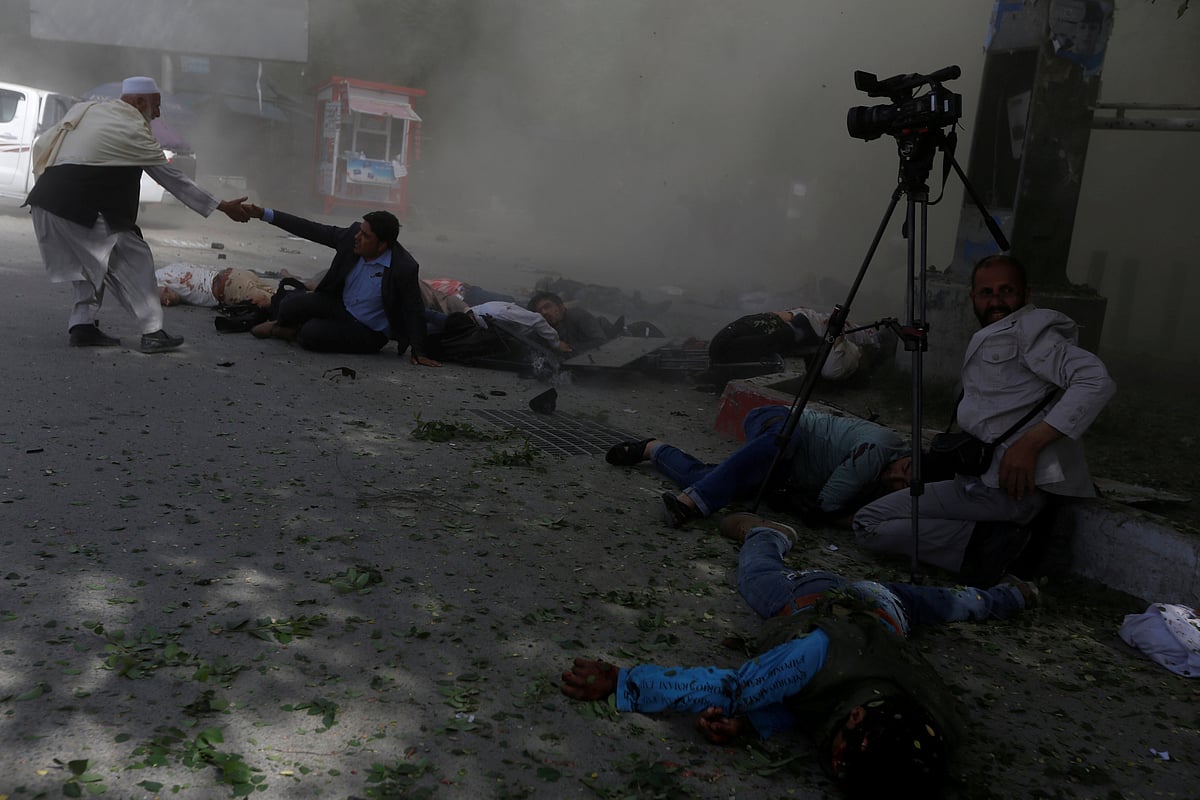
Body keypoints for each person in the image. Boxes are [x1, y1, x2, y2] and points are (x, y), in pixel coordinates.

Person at [561, 514, 1037, 798]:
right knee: (757, 575)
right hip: (820, 600)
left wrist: (758, 723)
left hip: (892, 609)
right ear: (852, 723)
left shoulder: (932, 732)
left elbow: (820, 706)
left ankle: (1012, 596)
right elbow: (733, 688)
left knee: (955, 602)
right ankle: (768, 532)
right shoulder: (820, 654)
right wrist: (628, 684)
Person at [853, 254, 1116, 585]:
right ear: (972, 298)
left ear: (1026, 294)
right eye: (986, 293)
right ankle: (993, 540)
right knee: (872, 519)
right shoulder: (996, 333)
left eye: (1006, 291)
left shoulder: (1031, 331)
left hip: (1006, 492)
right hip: (977, 482)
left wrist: (1031, 445)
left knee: (869, 526)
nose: (996, 301)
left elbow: (1095, 380)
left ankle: (989, 549)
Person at [23, 75, 250, 353]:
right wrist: (223, 206)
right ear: (140, 101)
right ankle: (153, 332)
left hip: (45, 202)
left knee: (90, 266)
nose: (157, 113)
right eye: (156, 106)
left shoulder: (93, 112)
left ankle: (82, 327)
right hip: (78, 205)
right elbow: (173, 179)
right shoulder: (130, 127)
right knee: (136, 259)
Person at [605, 405, 911, 527]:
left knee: (715, 479)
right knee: (783, 441)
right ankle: (691, 504)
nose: (896, 476)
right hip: (778, 420)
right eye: (905, 469)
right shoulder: (881, 448)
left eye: (902, 485)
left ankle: (651, 449)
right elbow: (826, 506)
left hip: (786, 469)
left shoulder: (883, 486)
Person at [242, 204, 438, 364]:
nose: (357, 237)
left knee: (312, 335)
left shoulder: (403, 267)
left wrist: (419, 351)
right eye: (360, 231)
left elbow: (414, 308)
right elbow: (311, 229)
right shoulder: (350, 238)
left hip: (369, 330)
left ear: (382, 245)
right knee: (289, 305)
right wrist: (264, 214)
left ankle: (288, 331)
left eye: (366, 236)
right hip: (340, 306)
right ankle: (283, 324)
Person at [708, 307, 883, 381]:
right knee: (720, 346)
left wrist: (835, 331)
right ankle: (792, 326)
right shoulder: (860, 341)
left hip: (796, 328)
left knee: (719, 347)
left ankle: (793, 327)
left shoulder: (848, 357)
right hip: (792, 324)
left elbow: (831, 369)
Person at [156, 262, 279, 308]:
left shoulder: (155, 279)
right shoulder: (173, 266)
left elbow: (171, 298)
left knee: (275, 305)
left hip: (228, 288)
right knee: (280, 297)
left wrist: (163, 299)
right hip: (234, 274)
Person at [469, 300, 571, 354]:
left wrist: (556, 343)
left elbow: (538, 319)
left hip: (535, 330)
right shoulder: (475, 311)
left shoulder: (497, 313)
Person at [527, 290, 608, 353]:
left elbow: (601, 342)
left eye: (547, 306)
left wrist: (568, 349)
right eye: (540, 311)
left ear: (561, 307)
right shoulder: (543, 329)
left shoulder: (577, 315)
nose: (544, 312)